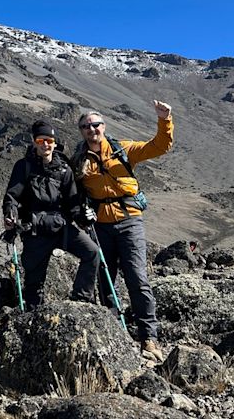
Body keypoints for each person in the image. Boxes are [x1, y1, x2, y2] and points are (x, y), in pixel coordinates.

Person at [70, 100, 173, 362]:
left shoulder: (123, 150)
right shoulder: (79, 160)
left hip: (129, 222)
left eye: (95, 125)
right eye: (86, 126)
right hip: (100, 225)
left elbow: (159, 146)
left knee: (137, 277)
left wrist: (165, 120)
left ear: (104, 126)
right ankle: (115, 331)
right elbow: (72, 191)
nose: (92, 130)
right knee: (106, 279)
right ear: (81, 131)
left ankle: (148, 337)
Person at [2, 119, 99, 311]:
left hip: (61, 227)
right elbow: (12, 196)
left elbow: (72, 202)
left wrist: (82, 218)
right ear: (34, 141)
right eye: (40, 140)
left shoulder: (64, 169)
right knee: (34, 282)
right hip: (35, 230)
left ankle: (80, 302)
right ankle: (33, 315)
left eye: (49, 140)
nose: (45, 144)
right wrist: (9, 215)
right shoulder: (24, 166)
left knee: (92, 253)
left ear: (55, 142)